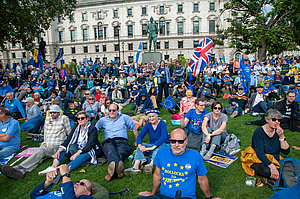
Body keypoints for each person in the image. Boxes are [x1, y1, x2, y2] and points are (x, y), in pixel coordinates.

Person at [137, 128, 219, 199]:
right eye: (173, 141)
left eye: (180, 142)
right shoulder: (161, 152)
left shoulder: (195, 156)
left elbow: (202, 179)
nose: (176, 145)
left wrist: (209, 197)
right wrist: (152, 193)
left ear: (186, 141)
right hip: (165, 196)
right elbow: (157, 175)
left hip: (186, 197)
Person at [0, 105, 71, 180]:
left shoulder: (64, 118)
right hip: (46, 143)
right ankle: (22, 172)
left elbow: (69, 133)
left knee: (40, 151)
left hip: (57, 144)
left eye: (54, 112)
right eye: (51, 112)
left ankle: (19, 167)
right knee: (39, 155)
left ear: (59, 113)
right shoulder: (48, 119)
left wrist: (65, 145)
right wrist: (44, 142)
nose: (52, 114)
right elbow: (46, 133)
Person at [38, 111, 102, 175]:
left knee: (82, 156)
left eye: (82, 118)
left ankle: (63, 171)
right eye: (78, 118)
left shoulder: (92, 129)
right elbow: (68, 139)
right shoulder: (77, 127)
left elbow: (89, 145)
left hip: (89, 150)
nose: (80, 120)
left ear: (87, 119)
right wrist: (59, 150)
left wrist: (77, 154)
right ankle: (53, 167)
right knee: (61, 149)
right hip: (76, 148)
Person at [242, 109, 290, 187]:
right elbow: (260, 153)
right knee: (267, 170)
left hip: (274, 158)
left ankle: (274, 177)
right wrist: (272, 166)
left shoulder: (278, 132)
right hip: (259, 159)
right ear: (267, 120)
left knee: (291, 167)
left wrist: (282, 137)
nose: (277, 122)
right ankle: (276, 178)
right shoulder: (259, 132)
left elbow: (286, 152)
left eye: (279, 120)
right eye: (274, 119)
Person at [95, 103, 138, 181]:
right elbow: (96, 129)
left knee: (121, 152)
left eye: (114, 110)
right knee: (110, 151)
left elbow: (133, 127)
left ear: (118, 110)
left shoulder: (125, 118)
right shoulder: (103, 120)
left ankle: (111, 171)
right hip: (109, 142)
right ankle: (118, 170)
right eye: (110, 110)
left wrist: (136, 141)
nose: (111, 112)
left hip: (122, 141)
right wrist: (95, 142)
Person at [124, 109, 169, 176]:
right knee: (141, 145)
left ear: (157, 116)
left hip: (163, 144)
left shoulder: (162, 123)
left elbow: (163, 136)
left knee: (159, 148)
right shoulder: (148, 124)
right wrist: (139, 145)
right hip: (152, 145)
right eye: (149, 117)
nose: (151, 118)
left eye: (153, 116)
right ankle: (136, 166)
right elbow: (139, 136)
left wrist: (153, 147)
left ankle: (150, 165)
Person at [30, 164, 96, 199]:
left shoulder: (86, 198)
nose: (77, 183)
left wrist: (65, 175)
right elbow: (34, 195)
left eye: (82, 184)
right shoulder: (61, 191)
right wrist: (48, 182)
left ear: (87, 193)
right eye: (77, 182)